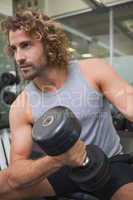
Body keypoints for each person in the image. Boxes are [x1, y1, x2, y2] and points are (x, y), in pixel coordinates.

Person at [1, 8, 133, 200]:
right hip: (63, 167)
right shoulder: (21, 105)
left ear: (48, 43)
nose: (18, 57)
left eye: (26, 45)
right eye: (14, 49)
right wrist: (57, 160)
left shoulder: (92, 70)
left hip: (109, 163)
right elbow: (16, 173)